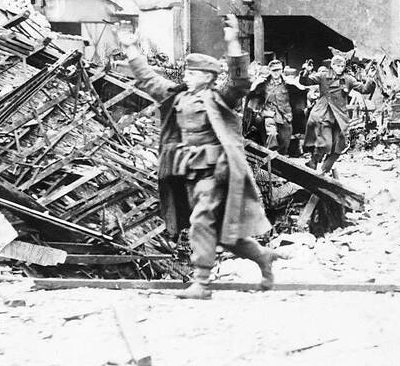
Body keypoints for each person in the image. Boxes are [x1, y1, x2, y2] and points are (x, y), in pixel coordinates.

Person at [116, 16, 279, 299]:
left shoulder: (218, 97)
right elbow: (148, 79)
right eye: (187, 72)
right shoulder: (178, 96)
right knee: (218, 232)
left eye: (193, 74)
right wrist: (131, 48)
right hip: (188, 170)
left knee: (202, 220)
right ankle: (262, 256)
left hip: (215, 171)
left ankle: (201, 283)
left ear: (208, 77)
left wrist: (232, 41)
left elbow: (241, 81)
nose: (187, 77)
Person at [303, 51, 365, 172]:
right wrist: (306, 71)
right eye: (337, 66)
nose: (340, 68)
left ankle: (325, 169)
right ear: (332, 66)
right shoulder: (323, 75)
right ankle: (313, 162)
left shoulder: (348, 79)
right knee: (325, 143)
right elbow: (305, 82)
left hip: (340, 117)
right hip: (324, 113)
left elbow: (364, 88)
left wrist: (371, 79)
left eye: (342, 66)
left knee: (340, 145)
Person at [257, 56, 295, 155]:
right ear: (269, 71)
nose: (276, 73)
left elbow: (300, 91)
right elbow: (253, 92)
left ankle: (280, 156)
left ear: (282, 70)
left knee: (285, 139)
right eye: (273, 70)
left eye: (278, 70)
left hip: (285, 114)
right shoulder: (264, 83)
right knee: (272, 134)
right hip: (269, 112)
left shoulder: (288, 83)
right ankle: (270, 153)